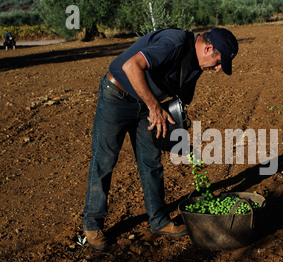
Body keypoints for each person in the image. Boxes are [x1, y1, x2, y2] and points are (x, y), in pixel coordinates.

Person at [82, 27, 238, 250]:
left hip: (148, 105)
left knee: (151, 162)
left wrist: (182, 142)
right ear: (208, 48)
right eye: (220, 62)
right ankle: (92, 223)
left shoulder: (196, 67)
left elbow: (178, 104)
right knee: (104, 160)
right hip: (117, 96)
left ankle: (159, 220)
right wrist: (154, 107)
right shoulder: (174, 43)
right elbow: (131, 66)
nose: (220, 69)